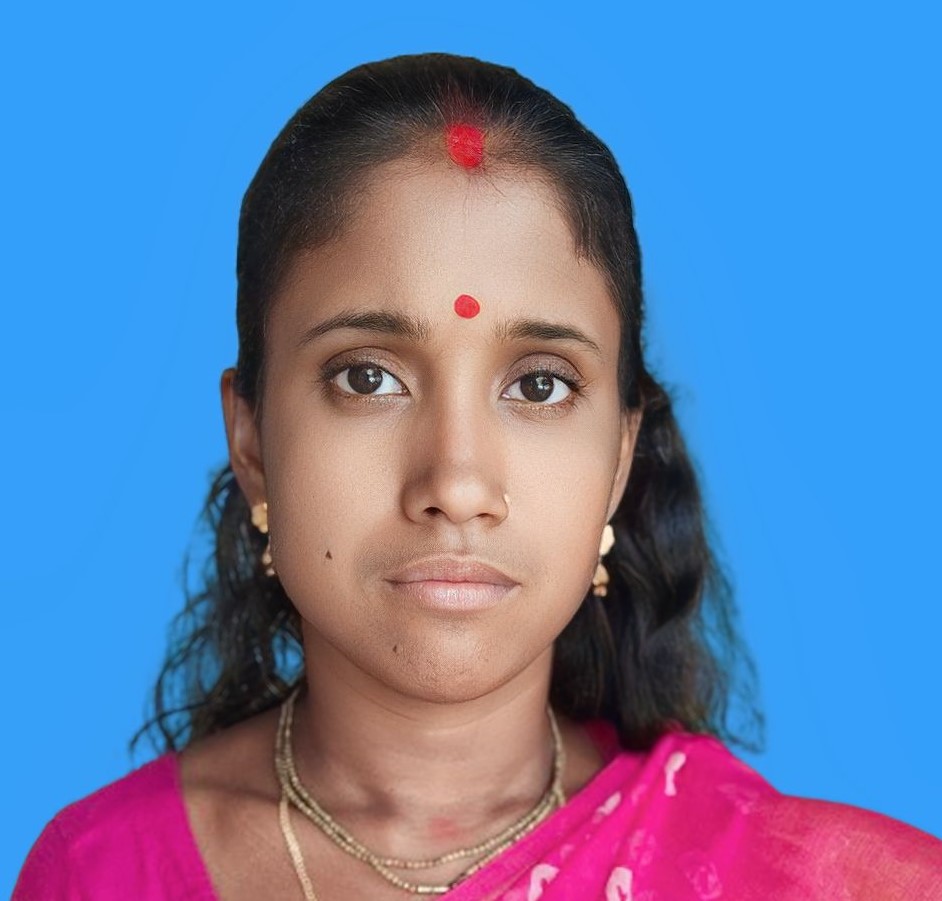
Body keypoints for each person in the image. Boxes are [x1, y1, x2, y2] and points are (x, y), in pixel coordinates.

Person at [13, 52, 942, 900]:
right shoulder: (100, 872)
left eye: (539, 384)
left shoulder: (838, 885)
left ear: (619, 458)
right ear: (251, 442)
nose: (455, 483)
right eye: (366, 378)